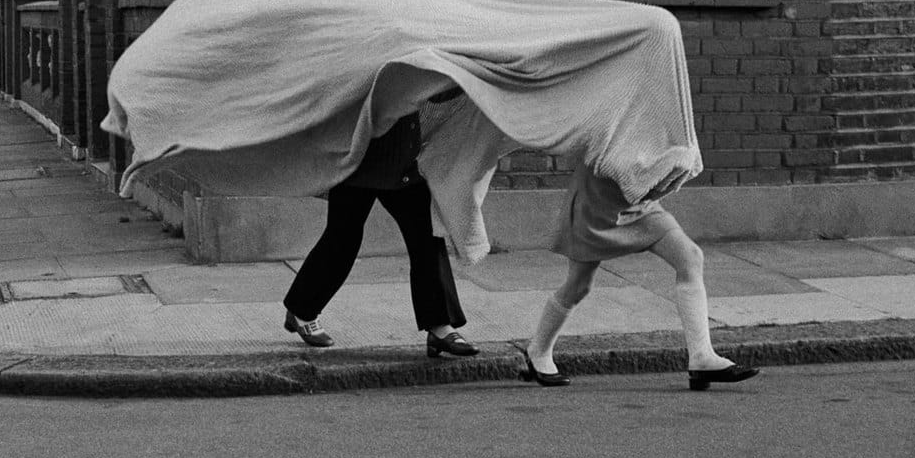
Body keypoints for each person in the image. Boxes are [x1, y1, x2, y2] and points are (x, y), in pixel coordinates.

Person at [521, 163, 761, 390]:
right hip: (597, 199)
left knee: (690, 257)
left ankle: (701, 357)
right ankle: (538, 351)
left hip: (641, 201)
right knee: (579, 285)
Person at [283, 94, 479, 359]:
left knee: (426, 236)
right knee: (343, 237)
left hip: (404, 158)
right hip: (359, 155)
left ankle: (439, 327)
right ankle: (302, 310)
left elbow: (430, 87)